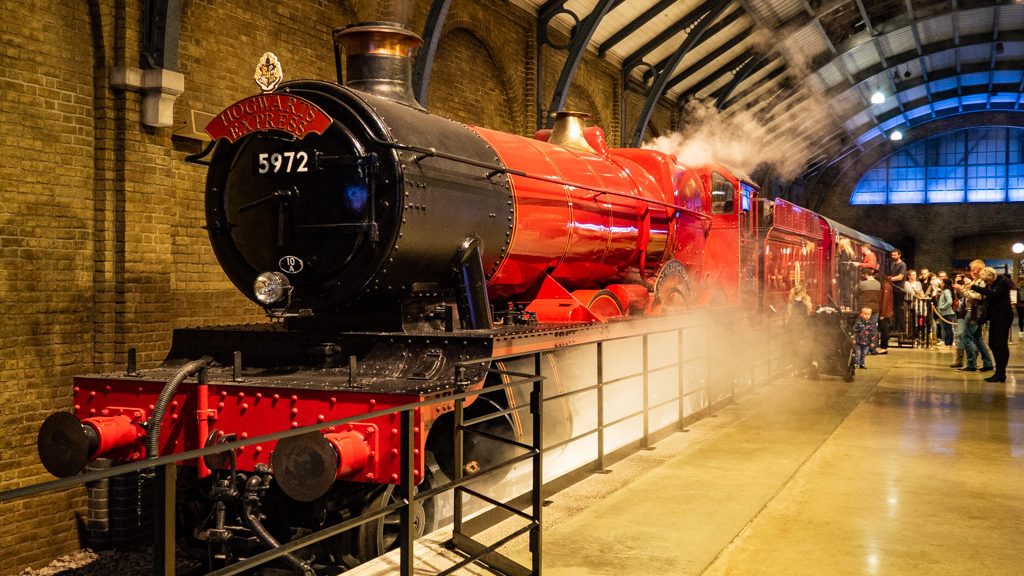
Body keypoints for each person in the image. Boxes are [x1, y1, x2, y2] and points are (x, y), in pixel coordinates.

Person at [973, 267, 1013, 382]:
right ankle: (999, 372)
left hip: (1003, 316)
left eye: (987, 281)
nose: (986, 283)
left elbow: (993, 294)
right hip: (995, 317)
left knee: (1000, 344)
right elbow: (987, 297)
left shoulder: (1002, 283)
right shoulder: (991, 284)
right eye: (984, 281)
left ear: (992, 277)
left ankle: (1001, 372)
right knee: (992, 343)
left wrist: (974, 287)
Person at [957, 260, 995, 373]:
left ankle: (971, 363)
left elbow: (979, 296)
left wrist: (963, 290)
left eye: (973, 270)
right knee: (978, 339)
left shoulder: (982, 282)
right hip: (973, 311)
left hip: (974, 312)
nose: (971, 272)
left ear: (980, 269)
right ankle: (987, 363)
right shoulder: (976, 281)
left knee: (966, 337)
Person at [857, 269, 881, 353]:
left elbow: (857, 294)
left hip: (865, 309)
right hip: (875, 308)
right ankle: (873, 348)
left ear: (866, 274)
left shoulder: (862, 284)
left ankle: (864, 349)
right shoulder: (878, 284)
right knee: (873, 328)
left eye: (862, 274)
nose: (861, 276)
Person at [936, 276, 957, 347]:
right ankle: (948, 342)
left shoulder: (947, 291)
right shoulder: (945, 291)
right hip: (945, 312)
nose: (941, 284)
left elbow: (949, 301)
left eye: (942, 283)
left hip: (947, 312)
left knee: (948, 328)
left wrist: (942, 307)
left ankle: (948, 343)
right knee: (947, 328)